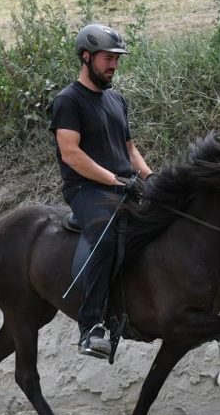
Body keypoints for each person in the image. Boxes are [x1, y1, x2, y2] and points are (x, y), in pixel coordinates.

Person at [49, 23, 153, 360]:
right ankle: (91, 327)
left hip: (124, 184)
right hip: (87, 190)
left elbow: (130, 149)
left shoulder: (116, 99)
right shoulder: (67, 101)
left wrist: (150, 179)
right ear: (86, 57)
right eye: (108, 58)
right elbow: (71, 154)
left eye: (116, 59)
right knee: (105, 239)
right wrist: (114, 180)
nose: (114, 65)